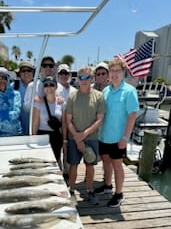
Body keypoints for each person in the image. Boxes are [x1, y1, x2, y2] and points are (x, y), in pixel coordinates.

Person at [94, 58, 139, 207]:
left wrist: (125, 137)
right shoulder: (106, 90)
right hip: (104, 136)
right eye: (112, 71)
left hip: (118, 138)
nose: (114, 74)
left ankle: (119, 194)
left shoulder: (129, 91)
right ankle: (108, 185)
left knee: (117, 165)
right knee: (106, 162)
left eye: (117, 71)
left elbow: (133, 115)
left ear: (123, 72)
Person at [66, 65, 105, 200]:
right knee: (73, 165)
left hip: (92, 138)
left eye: (86, 77)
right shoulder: (72, 96)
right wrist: (77, 137)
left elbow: (99, 120)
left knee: (90, 165)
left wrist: (83, 135)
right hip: (73, 137)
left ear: (92, 78)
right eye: (80, 77)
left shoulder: (99, 96)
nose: (83, 80)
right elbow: (68, 120)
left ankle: (89, 190)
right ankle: (71, 190)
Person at [32, 75, 65, 166]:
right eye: (46, 85)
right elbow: (35, 122)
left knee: (56, 161)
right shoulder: (38, 103)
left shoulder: (61, 103)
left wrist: (65, 140)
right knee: (42, 162)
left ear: (56, 87)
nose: (49, 87)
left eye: (51, 85)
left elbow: (64, 124)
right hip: (42, 135)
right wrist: (33, 139)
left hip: (56, 136)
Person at [57, 63, 77, 182]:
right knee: (57, 151)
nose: (64, 75)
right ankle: (59, 173)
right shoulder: (53, 88)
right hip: (56, 126)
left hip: (71, 126)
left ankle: (67, 173)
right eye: (61, 73)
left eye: (66, 73)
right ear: (58, 75)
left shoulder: (74, 90)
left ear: (69, 74)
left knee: (68, 151)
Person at [11, 61, 34, 135]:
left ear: (33, 73)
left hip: (35, 128)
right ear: (20, 73)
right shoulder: (13, 86)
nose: (26, 73)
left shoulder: (38, 85)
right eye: (23, 71)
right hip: (18, 130)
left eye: (29, 70)